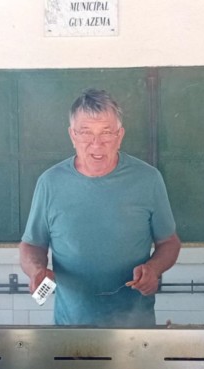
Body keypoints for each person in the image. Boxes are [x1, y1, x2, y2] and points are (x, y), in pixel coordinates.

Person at [20, 89, 181, 327]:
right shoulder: (50, 183)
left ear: (120, 135)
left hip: (135, 326)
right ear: (72, 135)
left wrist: (153, 269)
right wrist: (36, 271)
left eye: (106, 133)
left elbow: (169, 242)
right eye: (86, 133)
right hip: (71, 326)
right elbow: (33, 244)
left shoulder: (148, 179)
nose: (96, 144)